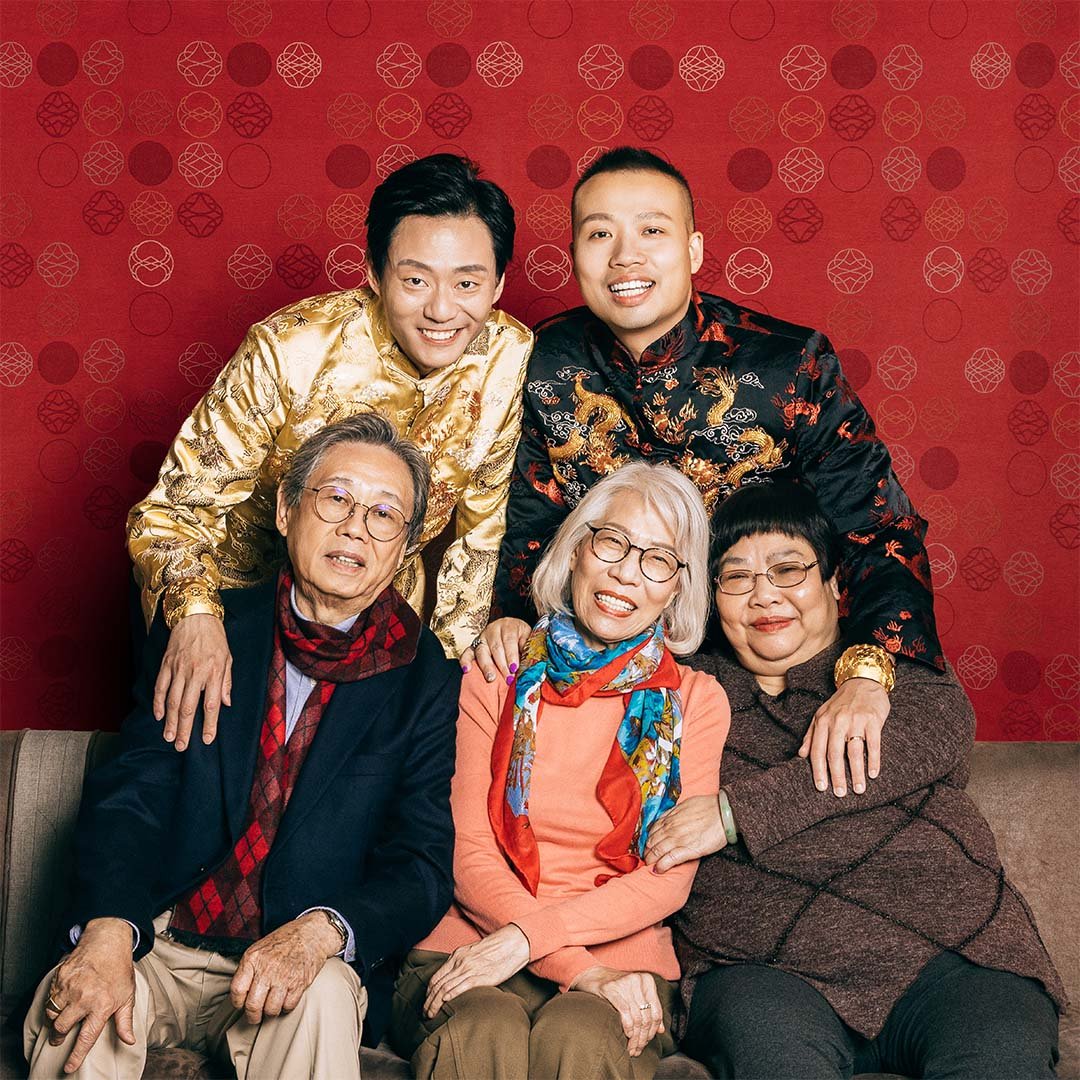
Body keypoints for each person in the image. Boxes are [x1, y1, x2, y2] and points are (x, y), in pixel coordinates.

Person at [473, 146, 939, 797]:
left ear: (693, 250)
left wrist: (866, 674)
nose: (625, 256)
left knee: (884, 753)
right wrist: (512, 618)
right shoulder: (544, 359)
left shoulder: (788, 365)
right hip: (610, 656)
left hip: (767, 653)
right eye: (600, 234)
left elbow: (879, 528)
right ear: (574, 254)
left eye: (651, 231)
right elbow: (530, 526)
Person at [25, 414, 460, 1079]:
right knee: (77, 1008)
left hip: (296, 962)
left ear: (404, 546)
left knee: (321, 1000)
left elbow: (421, 865)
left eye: (383, 514)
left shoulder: (425, 677)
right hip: (160, 943)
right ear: (286, 510)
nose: (355, 528)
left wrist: (324, 931)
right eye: (336, 498)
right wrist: (108, 927)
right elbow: (133, 797)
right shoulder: (206, 630)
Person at [645, 481, 1065, 1079]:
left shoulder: (890, 670)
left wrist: (733, 814)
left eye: (788, 570)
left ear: (834, 585)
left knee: (998, 1063)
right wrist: (517, 629)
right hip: (761, 970)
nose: (764, 595)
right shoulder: (679, 690)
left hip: (955, 954)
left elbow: (940, 729)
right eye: (736, 577)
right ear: (711, 598)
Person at [128, 152, 532, 751]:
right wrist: (196, 616)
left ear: (498, 284)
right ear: (373, 272)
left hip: (379, 619)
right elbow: (169, 513)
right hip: (235, 613)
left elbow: (478, 540)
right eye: (415, 280)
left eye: (468, 283)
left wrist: (445, 688)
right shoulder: (289, 349)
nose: (442, 310)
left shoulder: (507, 355)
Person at [388, 462, 729, 1080]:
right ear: (576, 551)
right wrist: (575, 966)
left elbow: (666, 879)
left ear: (678, 587)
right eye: (613, 542)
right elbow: (464, 849)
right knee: (483, 1028)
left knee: (580, 1036)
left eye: (658, 559)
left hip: (623, 967)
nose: (626, 572)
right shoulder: (499, 670)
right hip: (469, 945)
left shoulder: (697, 700)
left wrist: (530, 941)